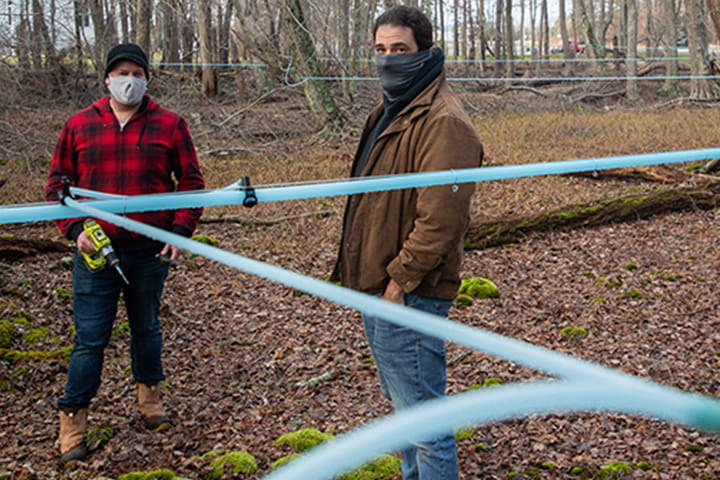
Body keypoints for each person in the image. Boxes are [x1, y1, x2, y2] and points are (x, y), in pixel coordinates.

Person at [331, 6, 483, 480]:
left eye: (400, 50)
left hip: (410, 291)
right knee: (407, 412)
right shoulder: (393, 108)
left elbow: (441, 220)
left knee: (425, 421)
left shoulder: (443, 121)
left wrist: (399, 283)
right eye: (381, 50)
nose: (389, 59)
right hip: (381, 283)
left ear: (425, 52)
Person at [45, 43, 205, 466]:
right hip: (96, 253)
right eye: (121, 73)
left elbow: (191, 182)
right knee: (90, 338)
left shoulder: (170, 124)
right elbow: (57, 188)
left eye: (136, 72)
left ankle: (150, 402)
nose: (128, 80)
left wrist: (181, 231)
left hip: (150, 250)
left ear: (146, 78)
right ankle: (73, 423)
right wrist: (76, 230)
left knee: (147, 328)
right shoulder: (78, 125)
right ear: (107, 79)